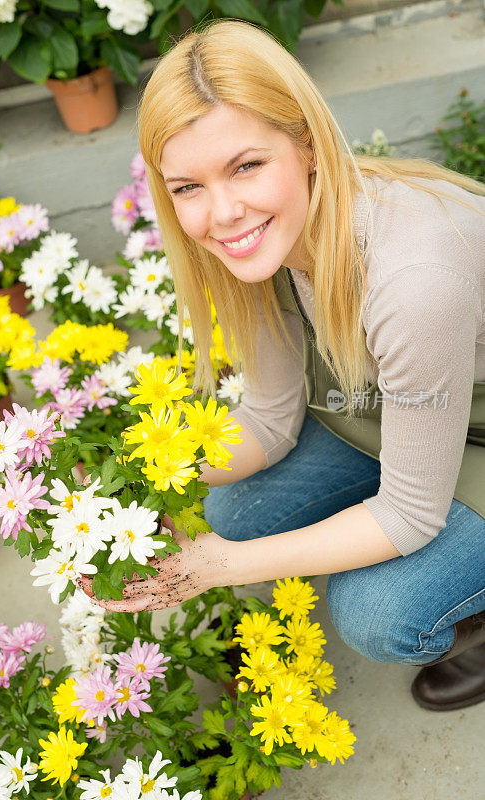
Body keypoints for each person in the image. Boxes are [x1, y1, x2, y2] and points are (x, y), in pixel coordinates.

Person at [82, 18, 485, 711]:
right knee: (236, 509)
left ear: (305, 145)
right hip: (404, 415)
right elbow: (271, 419)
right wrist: (136, 477)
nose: (222, 213)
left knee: (376, 612)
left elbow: (410, 515)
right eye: (187, 187)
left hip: (467, 425)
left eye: (246, 166)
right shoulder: (262, 242)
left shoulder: (411, 278)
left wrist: (215, 568)